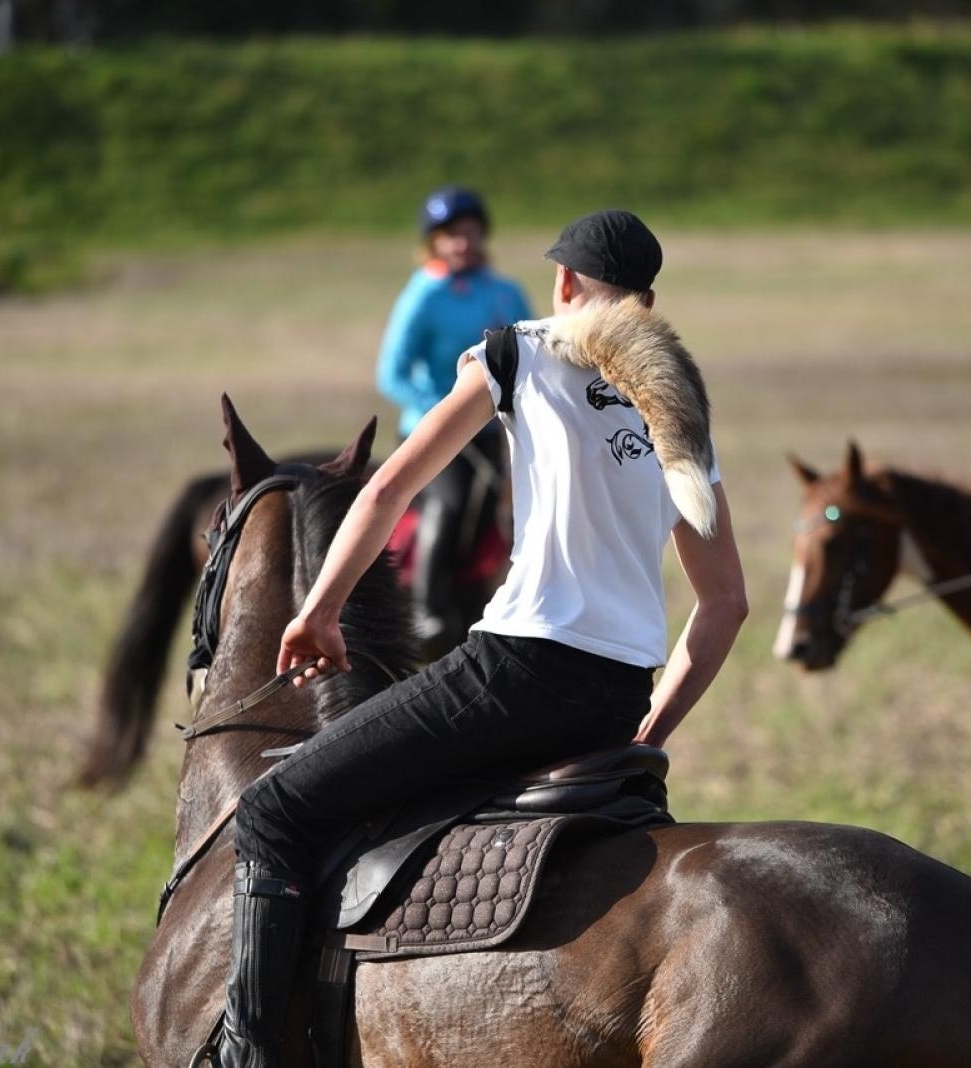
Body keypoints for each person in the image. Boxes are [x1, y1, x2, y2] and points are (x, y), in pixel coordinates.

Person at [214, 209, 749, 1067]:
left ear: (566, 284)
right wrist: (651, 727)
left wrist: (316, 612)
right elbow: (723, 604)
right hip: (615, 700)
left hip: (518, 670)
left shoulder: (519, 349)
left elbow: (388, 488)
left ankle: (249, 1055)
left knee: (276, 809)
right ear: (646, 303)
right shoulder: (680, 414)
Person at [376, 186, 534, 654]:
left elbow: (530, 348)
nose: (461, 243)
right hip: (435, 432)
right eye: (450, 235)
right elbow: (392, 372)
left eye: (469, 232)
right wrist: (444, 410)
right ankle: (429, 612)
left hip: (492, 431)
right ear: (434, 242)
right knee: (452, 500)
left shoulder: (505, 291)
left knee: (502, 510)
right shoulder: (422, 295)